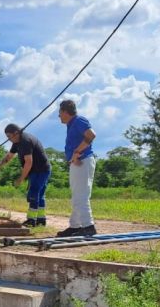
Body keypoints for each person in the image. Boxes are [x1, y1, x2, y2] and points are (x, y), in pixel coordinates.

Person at [0, 124, 51, 227]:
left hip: (42, 170)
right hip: (35, 171)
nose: (8, 139)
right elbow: (9, 156)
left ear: (16, 133)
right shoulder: (17, 142)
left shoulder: (25, 141)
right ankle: (41, 220)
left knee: (34, 193)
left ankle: (31, 220)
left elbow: (29, 162)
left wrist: (21, 178)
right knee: (39, 194)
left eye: (9, 136)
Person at [56, 99, 97, 237]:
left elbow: (91, 135)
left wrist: (77, 152)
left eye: (60, 112)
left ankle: (88, 226)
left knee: (81, 195)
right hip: (79, 162)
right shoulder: (72, 124)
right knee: (77, 196)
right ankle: (75, 226)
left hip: (83, 160)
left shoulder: (79, 120)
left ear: (65, 112)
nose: (59, 116)